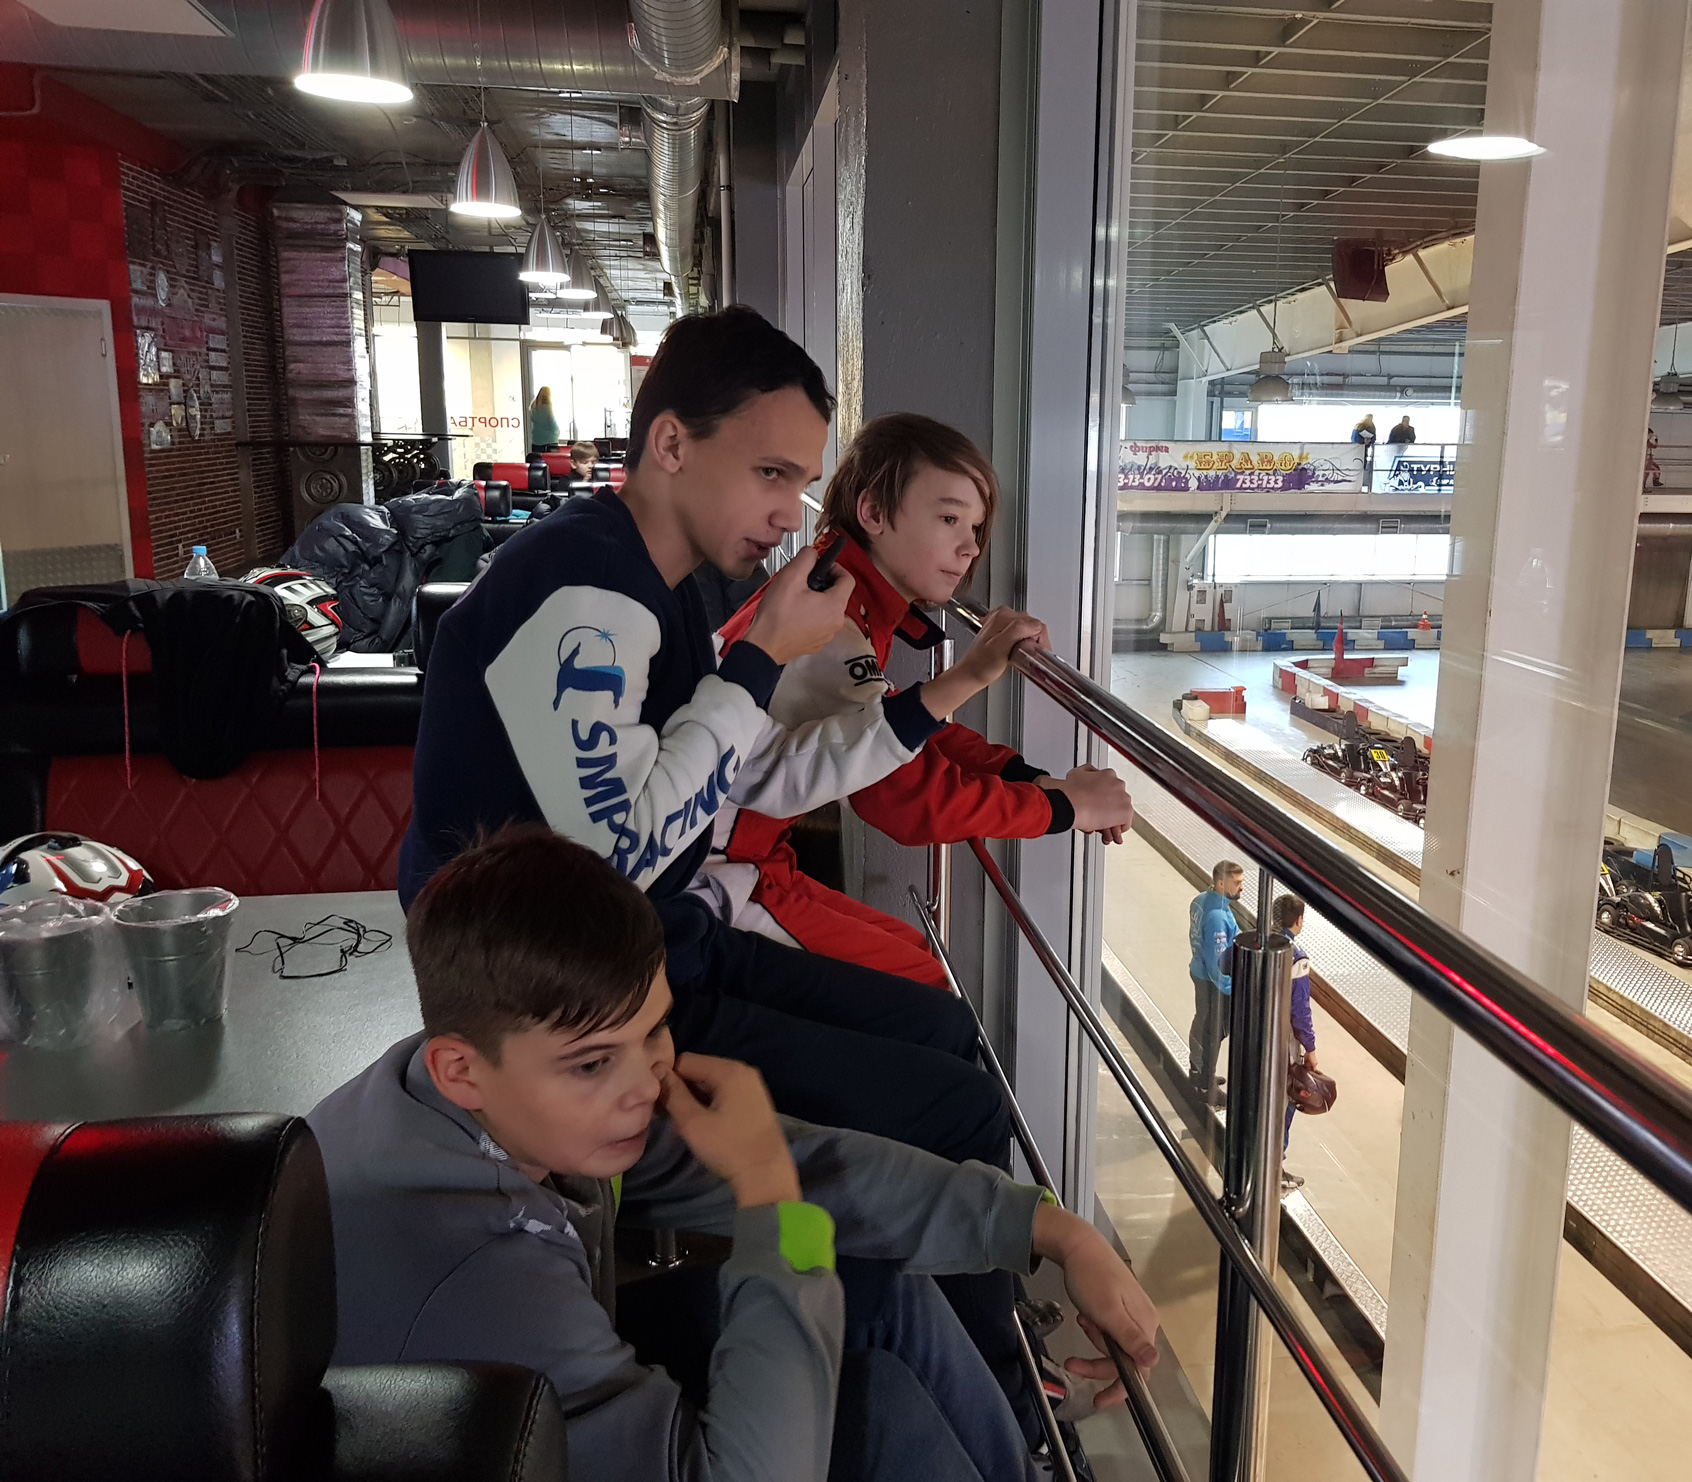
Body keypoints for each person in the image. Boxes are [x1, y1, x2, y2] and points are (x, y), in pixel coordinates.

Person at [401, 305, 1042, 1441]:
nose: (790, 512)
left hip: (657, 955)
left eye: (800, 482)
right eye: (771, 474)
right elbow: (623, 846)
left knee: (944, 1047)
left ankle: (992, 1361)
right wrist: (755, 662)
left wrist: (811, 679)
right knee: (945, 1111)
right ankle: (1007, 1384)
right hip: (585, 1004)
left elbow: (736, 778)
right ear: (670, 443)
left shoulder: (666, 581)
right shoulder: (586, 597)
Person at [310, 827, 1163, 1482]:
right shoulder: (475, 1271)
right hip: (481, 1431)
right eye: (593, 1063)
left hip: (550, 1391)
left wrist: (1053, 1233)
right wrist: (768, 1197)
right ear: (460, 1070)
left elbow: (809, 1175)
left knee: (864, 1283)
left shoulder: (498, 1096)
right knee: (881, 1416)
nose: (644, 1083)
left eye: (654, 1030)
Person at [703, 412, 1134, 986]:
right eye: (949, 518)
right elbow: (904, 798)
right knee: (920, 985)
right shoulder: (834, 624)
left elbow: (897, 728)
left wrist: (1035, 780)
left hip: (742, 847)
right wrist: (1062, 809)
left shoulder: (837, 590)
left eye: (975, 527)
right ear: (874, 513)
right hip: (712, 870)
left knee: (912, 957)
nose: (970, 547)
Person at [1270, 893, 1321, 1193]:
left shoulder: (1258, 942)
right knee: (1284, 1104)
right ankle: (1275, 1169)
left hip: (1256, 1036)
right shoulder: (1296, 958)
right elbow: (1300, 1011)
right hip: (1283, 1045)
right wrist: (1310, 1049)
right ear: (1298, 921)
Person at [1188, 860, 1243, 1106]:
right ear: (1221, 883)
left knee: (1202, 1022)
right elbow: (1217, 962)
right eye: (1237, 883)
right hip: (1213, 983)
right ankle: (1206, 1085)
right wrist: (1230, 988)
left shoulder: (1201, 900)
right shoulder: (1218, 917)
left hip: (1199, 972)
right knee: (1214, 1032)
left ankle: (1198, 1070)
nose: (1241, 887)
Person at [530, 386, 561, 453]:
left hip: (536, 442)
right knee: (550, 459)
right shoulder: (547, 408)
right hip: (550, 441)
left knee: (537, 459)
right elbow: (552, 425)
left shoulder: (534, 409)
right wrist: (558, 432)